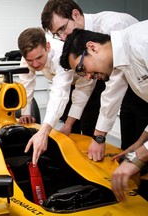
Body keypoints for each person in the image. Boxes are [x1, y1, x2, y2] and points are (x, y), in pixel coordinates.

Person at [58, 22, 148, 202]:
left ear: (92, 47)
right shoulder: (123, 64)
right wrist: (140, 143)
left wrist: (139, 157)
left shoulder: (142, 43)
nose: (88, 77)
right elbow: (110, 96)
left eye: (82, 69)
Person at [41, 0, 140, 162]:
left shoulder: (114, 25)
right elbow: (85, 85)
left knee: (139, 146)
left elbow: (115, 84)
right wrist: (70, 124)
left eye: (62, 29)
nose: (63, 37)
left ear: (75, 14)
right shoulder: (81, 47)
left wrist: (99, 136)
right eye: (57, 34)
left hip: (136, 83)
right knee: (128, 142)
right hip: (128, 86)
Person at [17, 28, 74, 164]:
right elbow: (27, 84)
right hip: (63, 87)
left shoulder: (62, 55)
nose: (35, 64)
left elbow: (59, 94)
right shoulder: (29, 55)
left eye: (39, 58)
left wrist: (44, 131)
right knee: (65, 132)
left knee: (81, 128)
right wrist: (26, 112)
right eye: (30, 60)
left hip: (85, 85)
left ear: (47, 47)